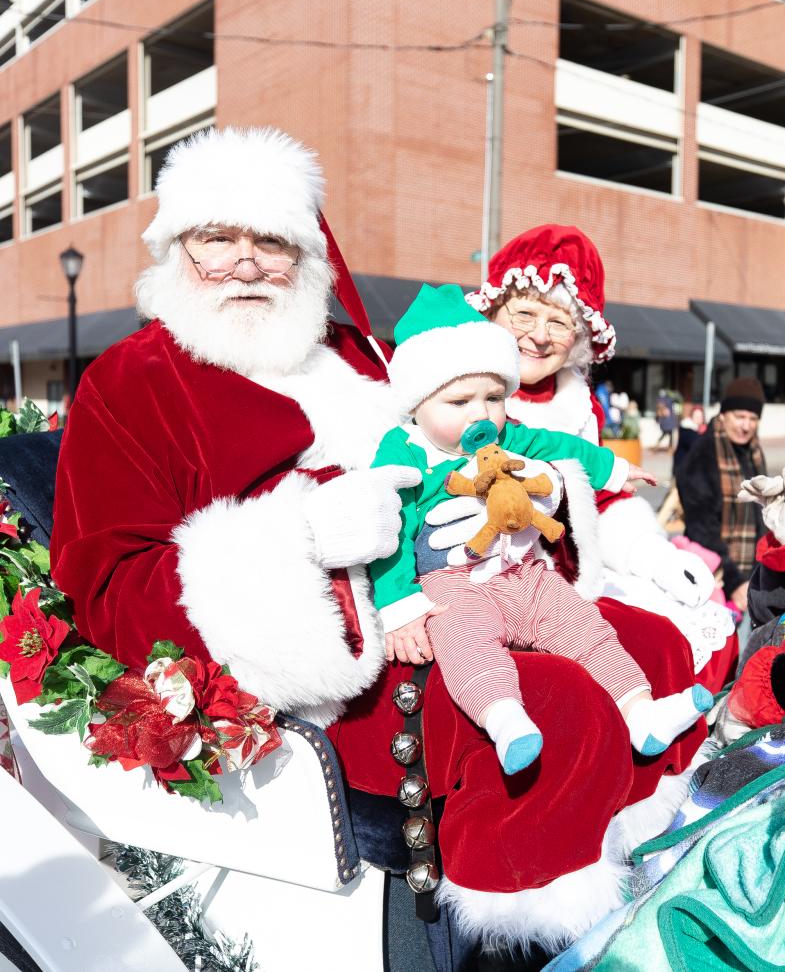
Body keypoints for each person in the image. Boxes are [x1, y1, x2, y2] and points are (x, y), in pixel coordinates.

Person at [50, 136, 707, 959]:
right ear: (176, 246)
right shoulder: (133, 378)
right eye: (217, 239)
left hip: (463, 585)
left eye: (273, 242)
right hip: (334, 661)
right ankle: (520, 937)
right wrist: (299, 542)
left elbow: (462, 446)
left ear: (309, 253)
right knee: (559, 706)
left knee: (654, 642)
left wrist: (518, 502)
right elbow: (104, 584)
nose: (246, 264)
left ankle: (627, 892)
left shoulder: (355, 356)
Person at [370, 283, 712, 774]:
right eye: (459, 401)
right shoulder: (403, 448)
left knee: (584, 627)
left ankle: (640, 711)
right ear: (417, 402)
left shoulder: (507, 432)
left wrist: (613, 469)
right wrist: (399, 607)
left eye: (493, 397)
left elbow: (558, 447)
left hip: (524, 570)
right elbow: (388, 527)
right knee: (464, 640)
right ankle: (505, 719)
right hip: (452, 581)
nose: (480, 413)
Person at [458, 224, 736, 695]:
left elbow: (603, 502)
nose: (538, 337)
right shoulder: (458, 389)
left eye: (559, 323)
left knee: (694, 627)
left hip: (578, 576)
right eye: (524, 314)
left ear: (580, 336)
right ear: (493, 311)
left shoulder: (579, 409)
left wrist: (652, 556)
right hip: (484, 586)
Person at [677, 377, 768, 615]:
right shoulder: (703, 454)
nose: (746, 426)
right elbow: (701, 530)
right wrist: (735, 581)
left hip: (754, 578)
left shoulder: (754, 452)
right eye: (740, 416)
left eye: (753, 419)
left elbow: (762, 516)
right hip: (714, 579)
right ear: (724, 414)